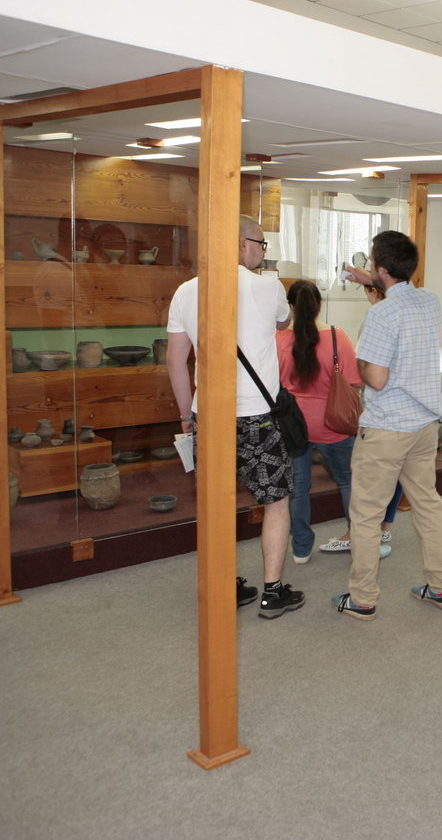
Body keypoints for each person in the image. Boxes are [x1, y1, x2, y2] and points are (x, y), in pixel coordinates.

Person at [166, 216, 304, 619]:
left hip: (207, 416)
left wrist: (186, 416)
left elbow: (175, 361)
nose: (263, 252)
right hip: (258, 417)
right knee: (276, 501)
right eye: (261, 244)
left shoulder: (185, 291)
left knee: (216, 502)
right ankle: (272, 592)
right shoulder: (268, 286)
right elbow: (284, 321)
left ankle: (223, 584)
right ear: (243, 244)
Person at [332, 230, 442, 620]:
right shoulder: (430, 301)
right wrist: (371, 280)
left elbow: (376, 378)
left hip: (386, 429)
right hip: (424, 425)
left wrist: (360, 359)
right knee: (428, 505)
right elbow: (397, 290)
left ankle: (362, 598)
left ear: (381, 268)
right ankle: (441, 588)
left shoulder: (381, 314)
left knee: (366, 515)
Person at [276, 280, 394, 565]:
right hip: (333, 423)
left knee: (299, 487)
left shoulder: (279, 339)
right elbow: (354, 381)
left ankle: (301, 549)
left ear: (291, 307)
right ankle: (360, 540)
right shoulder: (336, 336)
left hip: (294, 426)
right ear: (319, 305)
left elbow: (273, 383)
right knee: (348, 481)